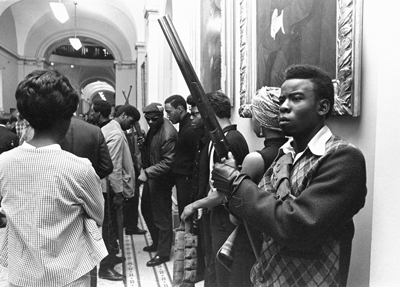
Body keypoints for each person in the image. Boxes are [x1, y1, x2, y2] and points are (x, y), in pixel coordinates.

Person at [212, 64, 367, 286]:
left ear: (322, 107)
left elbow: (298, 226)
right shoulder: (285, 155)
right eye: (282, 100)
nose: (283, 107)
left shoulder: (344, 158)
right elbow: (258, 217)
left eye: (295, 99)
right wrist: (232, 182)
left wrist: (236, 184)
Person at [0, 69, 107, 286]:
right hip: (68, 276)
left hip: (21, 275)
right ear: (66, 119)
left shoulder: (4, 162)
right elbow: (97, 215)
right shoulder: (79, 168)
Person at [181, 91, 249, 287]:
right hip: (215, 216)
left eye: (198, 111)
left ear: (208, 112)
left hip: (224, 218)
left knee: (222, 272)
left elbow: (223, 193)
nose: (194, 116)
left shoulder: (231, 140)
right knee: (212, 266)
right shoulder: (216, 139)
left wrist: (194, 205)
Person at [60, 115, 113, 286]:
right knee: (88, 245)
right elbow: (107, 166)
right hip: (87, 199)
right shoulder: (94, 131)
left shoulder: (50, 130)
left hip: (58, 196)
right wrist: (89, 180)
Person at [99, 104, 138, 280]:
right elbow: (113, 166)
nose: (132, 124)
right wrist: (119, 192)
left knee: (111, 226)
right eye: (131, 120)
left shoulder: (109, 128)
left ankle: (112, 256)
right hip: (110, 189)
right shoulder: (114, 133)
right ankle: (105, 267)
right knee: (109, 227)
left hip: (107, 187)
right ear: (122, 115)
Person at [139, 102, 178, 267]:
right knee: (146, 210)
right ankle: (156, 242)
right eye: (147, 119)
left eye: (153, 119)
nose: (150, 122)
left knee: (162, 217)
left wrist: (147, 172)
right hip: (152, 178)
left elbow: (168, 162)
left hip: (161, 180)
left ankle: (163, 253)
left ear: (160, 116)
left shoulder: (168, 133)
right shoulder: (155, 127)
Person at [164, 95, 202, 217]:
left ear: (180, 109)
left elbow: (197, 157)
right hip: (184, 179)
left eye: (169, 112)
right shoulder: (185, 125)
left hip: (188, 180)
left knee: (187, 216)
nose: (168, 116)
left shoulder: (190, 129)